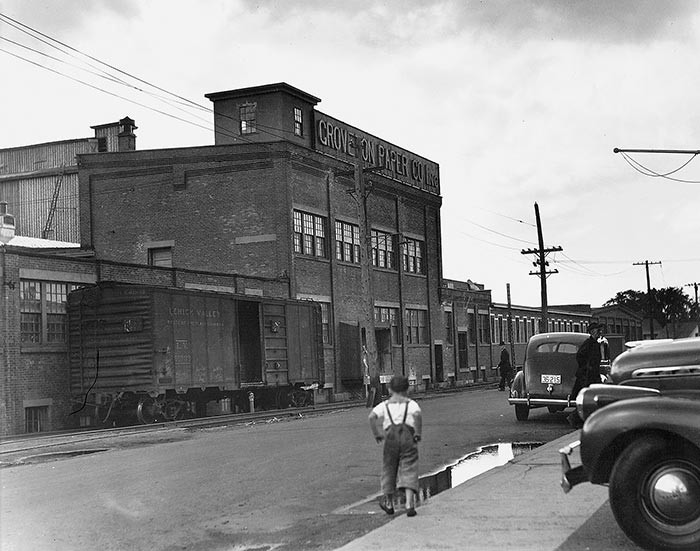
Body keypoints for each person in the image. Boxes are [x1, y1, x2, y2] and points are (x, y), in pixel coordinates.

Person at [368, 375, 422, 517]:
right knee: (409, 468)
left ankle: (389, 503)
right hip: (408, 438)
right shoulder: (411, 404)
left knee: (389, 469)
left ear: (390, 389)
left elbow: (371, 417)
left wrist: (377, 434)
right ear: (407, 389)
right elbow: (417, 416)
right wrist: (417, 433)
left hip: (390, 439)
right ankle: (410, 504)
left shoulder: (385, 405)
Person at [568, 322, 603, 427]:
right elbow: (580, 356)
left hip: (593, 375)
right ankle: (574, 418)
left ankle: (583, 419)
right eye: (597, 330)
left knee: (592, 398)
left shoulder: (596, 344)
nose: (600, 332)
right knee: (587, 399)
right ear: (592, 332)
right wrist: (586, 367)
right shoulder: (588, 343)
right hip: (586, 376)